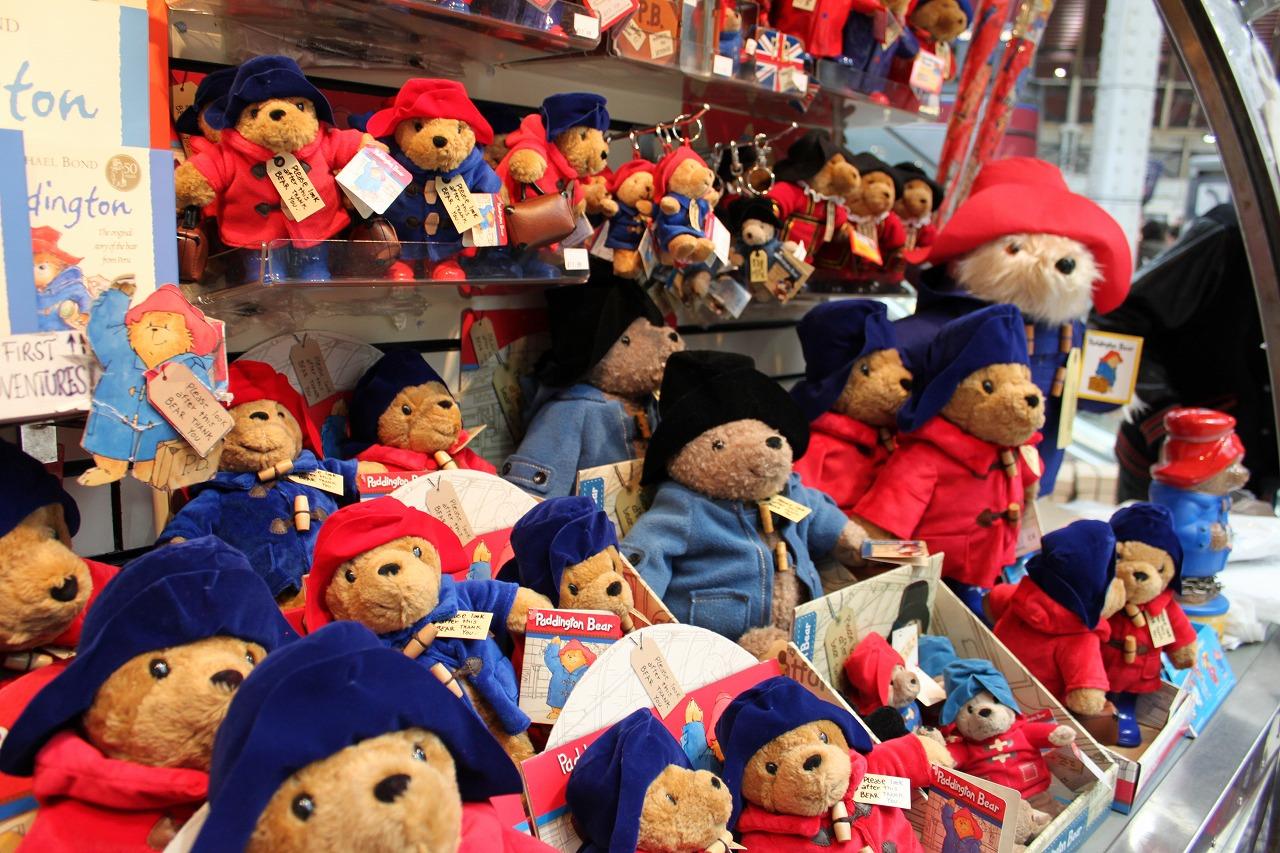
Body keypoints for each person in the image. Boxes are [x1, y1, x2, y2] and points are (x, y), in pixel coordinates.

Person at [1092, 203, 1277, 502]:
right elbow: (1117, 321)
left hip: (1251, 467)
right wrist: (1162, 418)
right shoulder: (1233, 232)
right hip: (1173, 458)